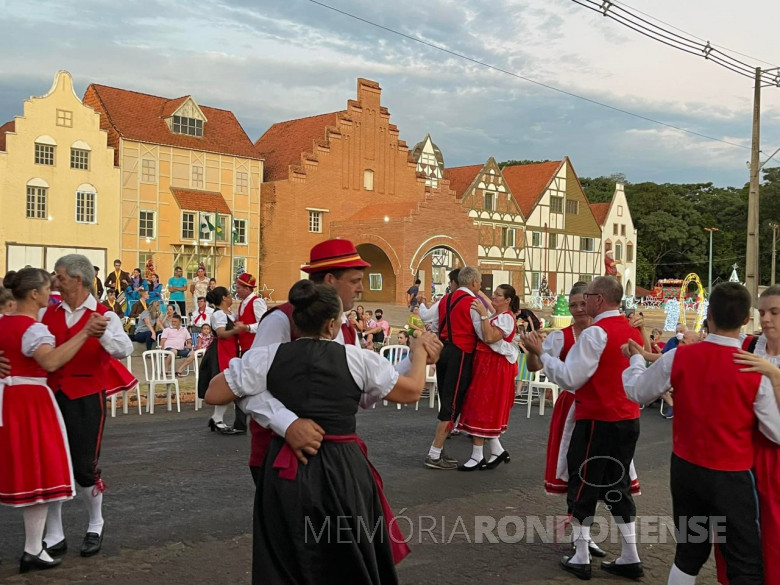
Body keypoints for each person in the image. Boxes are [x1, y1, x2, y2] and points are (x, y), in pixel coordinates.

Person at [205, 280, 429, 584]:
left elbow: (214, 392)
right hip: (342, 467)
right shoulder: (357, 359)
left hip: (286, 467)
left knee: (286, 557)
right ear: (333, 323)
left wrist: (279, 417)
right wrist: (419, 354)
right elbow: (412, 391)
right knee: (345, 556)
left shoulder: (268, 357)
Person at [623, 282, 780, 585]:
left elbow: (637, 392)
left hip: (686, 470)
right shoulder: (752, 369)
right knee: (743, 560)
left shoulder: (679, 357)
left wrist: (634, 361)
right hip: (732, 475)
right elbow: (775, 432)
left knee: (689, 553)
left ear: (708, 315)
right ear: (747, 319)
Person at [523, 275, 645, 580]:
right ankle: (630, 555)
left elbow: (571, 378)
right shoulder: (632, 331)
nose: (584, 302)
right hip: (627, 418)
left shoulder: (595, 334)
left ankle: (580, 555)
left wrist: (540, 354)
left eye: (587, 296)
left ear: (599, 300)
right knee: (617, 485)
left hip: (597, 418)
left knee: (583, 484)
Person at [0, 268, 107, 573]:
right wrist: (85, 333)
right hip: (31, 402)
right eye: (48, 289)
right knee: (40, 471)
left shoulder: (4, 322)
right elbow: (51, 361)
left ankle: (37, 545)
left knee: (28, 471)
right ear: (34, 294)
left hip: (7, 401)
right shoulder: (33, 329)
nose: (52, 294)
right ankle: (33, 548)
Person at [40, 254, 133, 559]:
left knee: (84, 466)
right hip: (51, 394)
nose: (56, 281)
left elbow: (124, 349)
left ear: (77, 280)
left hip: (86, 395)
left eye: (60, 276)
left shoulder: (105, 314)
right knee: (52, 463)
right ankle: (54, 532)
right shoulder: (48, 311)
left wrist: (101, 331)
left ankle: (96, 523)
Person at [710, 285, 780, 585]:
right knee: (731, 526)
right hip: (741, 449)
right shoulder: (748, 344)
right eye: (762, 312)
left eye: (774, 312)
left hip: (775, 454)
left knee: (773, 530)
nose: (766, 319)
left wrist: (774, 375)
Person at [423, 266, 483, 470]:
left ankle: (438, 450)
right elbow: (482, 333)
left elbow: (436, 325)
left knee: (447, 400)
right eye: (480, 282)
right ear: (474, 283)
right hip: (461, 352)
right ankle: (434, 452)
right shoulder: (472, 303)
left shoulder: (445, 300)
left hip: (445, 351)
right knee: (452, 404)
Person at [456, 284, 520, 470]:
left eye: (498, 295)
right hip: (487, 365)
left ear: (507, 300)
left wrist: (483, 314)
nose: (494, 297)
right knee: (482, 406)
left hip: (494, 367)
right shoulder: (500, 316)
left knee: (481, 406)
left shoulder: (506, 319)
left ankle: (477, 456)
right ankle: (496, 450)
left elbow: (490, 337)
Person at [199, 286, 247, 434]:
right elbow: (221, 334)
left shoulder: (229, 314)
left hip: (229, 351)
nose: (231, 297)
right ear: (224, 298)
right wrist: (236, 330)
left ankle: (217, 419)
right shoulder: (219, 315)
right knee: (227, 385)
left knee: (229, 385)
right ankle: (217, 419)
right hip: (220, 351)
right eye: (229, 295)